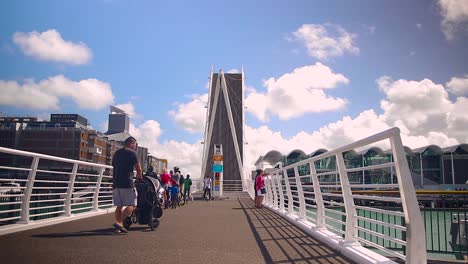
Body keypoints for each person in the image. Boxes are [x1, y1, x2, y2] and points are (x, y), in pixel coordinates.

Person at [112, 136, 142, 233]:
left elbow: (114, 166)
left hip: (116, 183)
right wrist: (139, 177)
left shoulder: (116, 153)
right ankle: (119, 222)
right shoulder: (132, 153)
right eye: (135, 145)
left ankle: (118, 228)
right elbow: (139, 169)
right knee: (132, 204)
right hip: (127, 182)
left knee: (119, 205)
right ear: (131, 144)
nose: (135, 147)